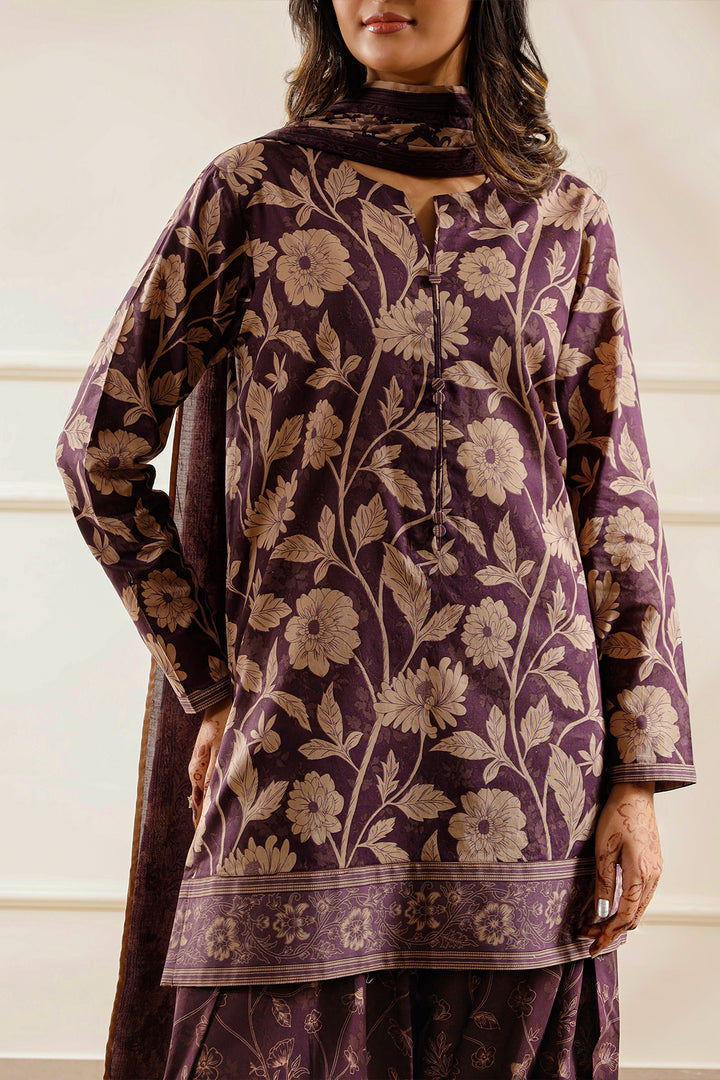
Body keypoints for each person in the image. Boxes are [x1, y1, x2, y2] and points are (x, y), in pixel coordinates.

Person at [56, 1, 696, 1077]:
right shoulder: (254, 193)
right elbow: (98, 453)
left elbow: (614, 503)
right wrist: (208, 681)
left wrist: (635, 781)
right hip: (303, 750)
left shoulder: (565, 219)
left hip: (528, 768)